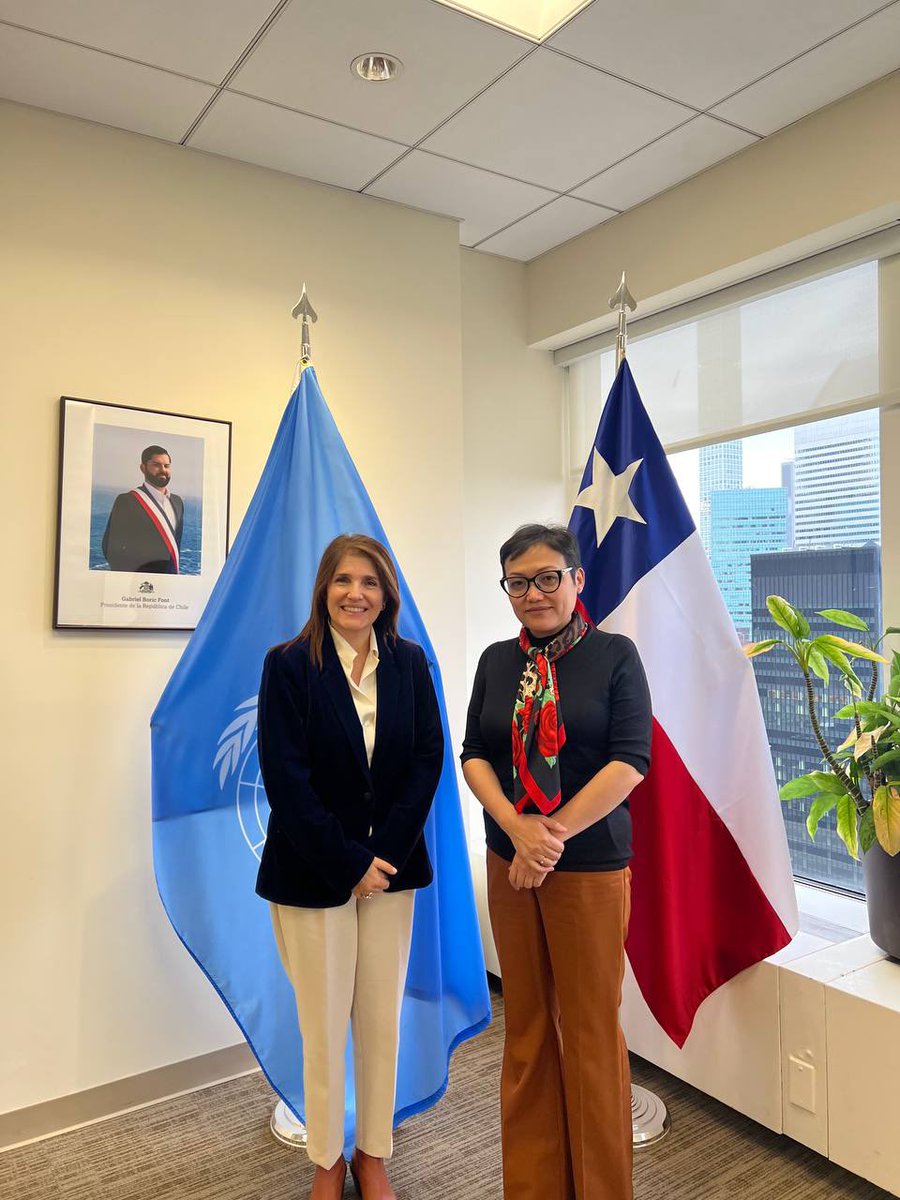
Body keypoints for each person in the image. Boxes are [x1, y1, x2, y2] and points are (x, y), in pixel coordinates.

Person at [461, 523, 652, 1200]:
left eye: (547, 577)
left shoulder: (615, 656)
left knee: (592, 1034)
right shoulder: (494, 661)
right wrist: (517, 829)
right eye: (519, 581)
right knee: (529, 1031)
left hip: (589, 867)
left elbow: (631, 761)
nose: (533, 593)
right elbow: (473, 754)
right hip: (510, 864)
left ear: (576, 579)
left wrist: (551, 837)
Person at [256, 534, 444, 1200]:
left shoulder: (410, 663)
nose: (355, 593)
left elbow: (427, 763)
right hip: (312, 874)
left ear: (386, 593)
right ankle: (326, 1159)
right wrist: (348, 862)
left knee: (378, 1018)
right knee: (323, 1021)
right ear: (323, 590)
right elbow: (286, 778)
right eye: (342, 580)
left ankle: (373, 1153)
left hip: (390, 875)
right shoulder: (288, 666)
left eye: (368, 581)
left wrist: (381, 859)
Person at [101, 444, 183, 573]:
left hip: (168, 584)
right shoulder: (127, 500)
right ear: (143, 468)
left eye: (166, 466)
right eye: (156, 465)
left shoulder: (177, 502)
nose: (163, 470)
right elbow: (110, 548)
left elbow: (175, 546)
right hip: (138, 584)